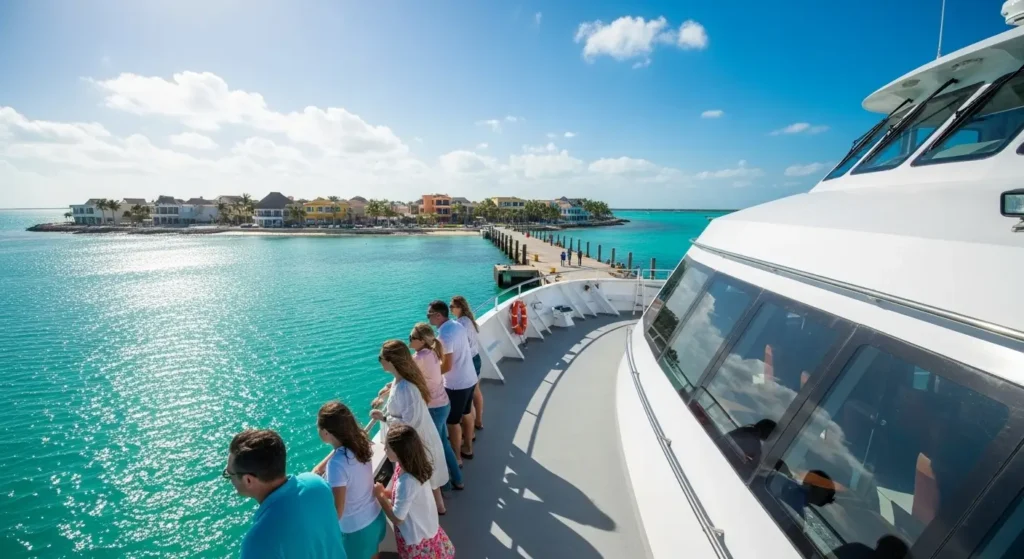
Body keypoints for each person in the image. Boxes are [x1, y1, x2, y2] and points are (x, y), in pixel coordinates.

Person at [225, 429, 346, 559]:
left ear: (248, 480)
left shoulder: (258, 541)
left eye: (229, 474)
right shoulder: (317, 484)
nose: (229, 478)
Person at [373, 340, 450, 513]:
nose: (379, 361)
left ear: (391, 360)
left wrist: (384, 418)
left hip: (417, 441)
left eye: (381, 358)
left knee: (424, 476)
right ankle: (439, 507)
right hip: (420, 438)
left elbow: (409, 423)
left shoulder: (406, 388)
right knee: (430, 478)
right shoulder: (400, 381)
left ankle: (432, 511)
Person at [313, 402, 386, 559]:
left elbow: (337, 512)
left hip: (357, 530)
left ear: (326, 433)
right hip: (375, 517)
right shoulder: (361, 444)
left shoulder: (337, 464)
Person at [374, 424, 455, 559]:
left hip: (417, 539)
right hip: (426, 529)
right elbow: (406, 498)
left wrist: (381, 496)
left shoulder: (407, 481)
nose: (384, 449)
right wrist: (387, 493)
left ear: (399, 451)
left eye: (388, 447)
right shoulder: (410, 467)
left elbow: (398, 518)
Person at [408, 323, 464, 490]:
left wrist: (387, 388)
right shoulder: (432, 352)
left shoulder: (419, 358)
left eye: (411, 338)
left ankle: (447, 484)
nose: (409, 341)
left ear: (422, 340)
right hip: (443, 403)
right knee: (443, 444)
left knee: (437, 447)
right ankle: (457, 478)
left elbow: (404, 374)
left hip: (434, 408)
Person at [427, 300, 477, 464]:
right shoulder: (457, 325)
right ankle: (468, 447)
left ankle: (457, 457)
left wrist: (428, 375)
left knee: (452, 422)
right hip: (470, 379)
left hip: (457, 385)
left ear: (438, 315)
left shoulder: (445, 336)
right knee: (467, 412)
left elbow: (447, 366)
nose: (428, 319)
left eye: (429, 315)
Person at [450, 296, 484, 432]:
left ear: (460, 307)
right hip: (476, 358)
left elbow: (460, 346)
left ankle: (470, 432)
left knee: (468, 398)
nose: (450, 309)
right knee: (476, 392)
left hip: (469, 362)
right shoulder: (468, 320)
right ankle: (479, 422)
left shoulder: (460, 324)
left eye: (452, 306)